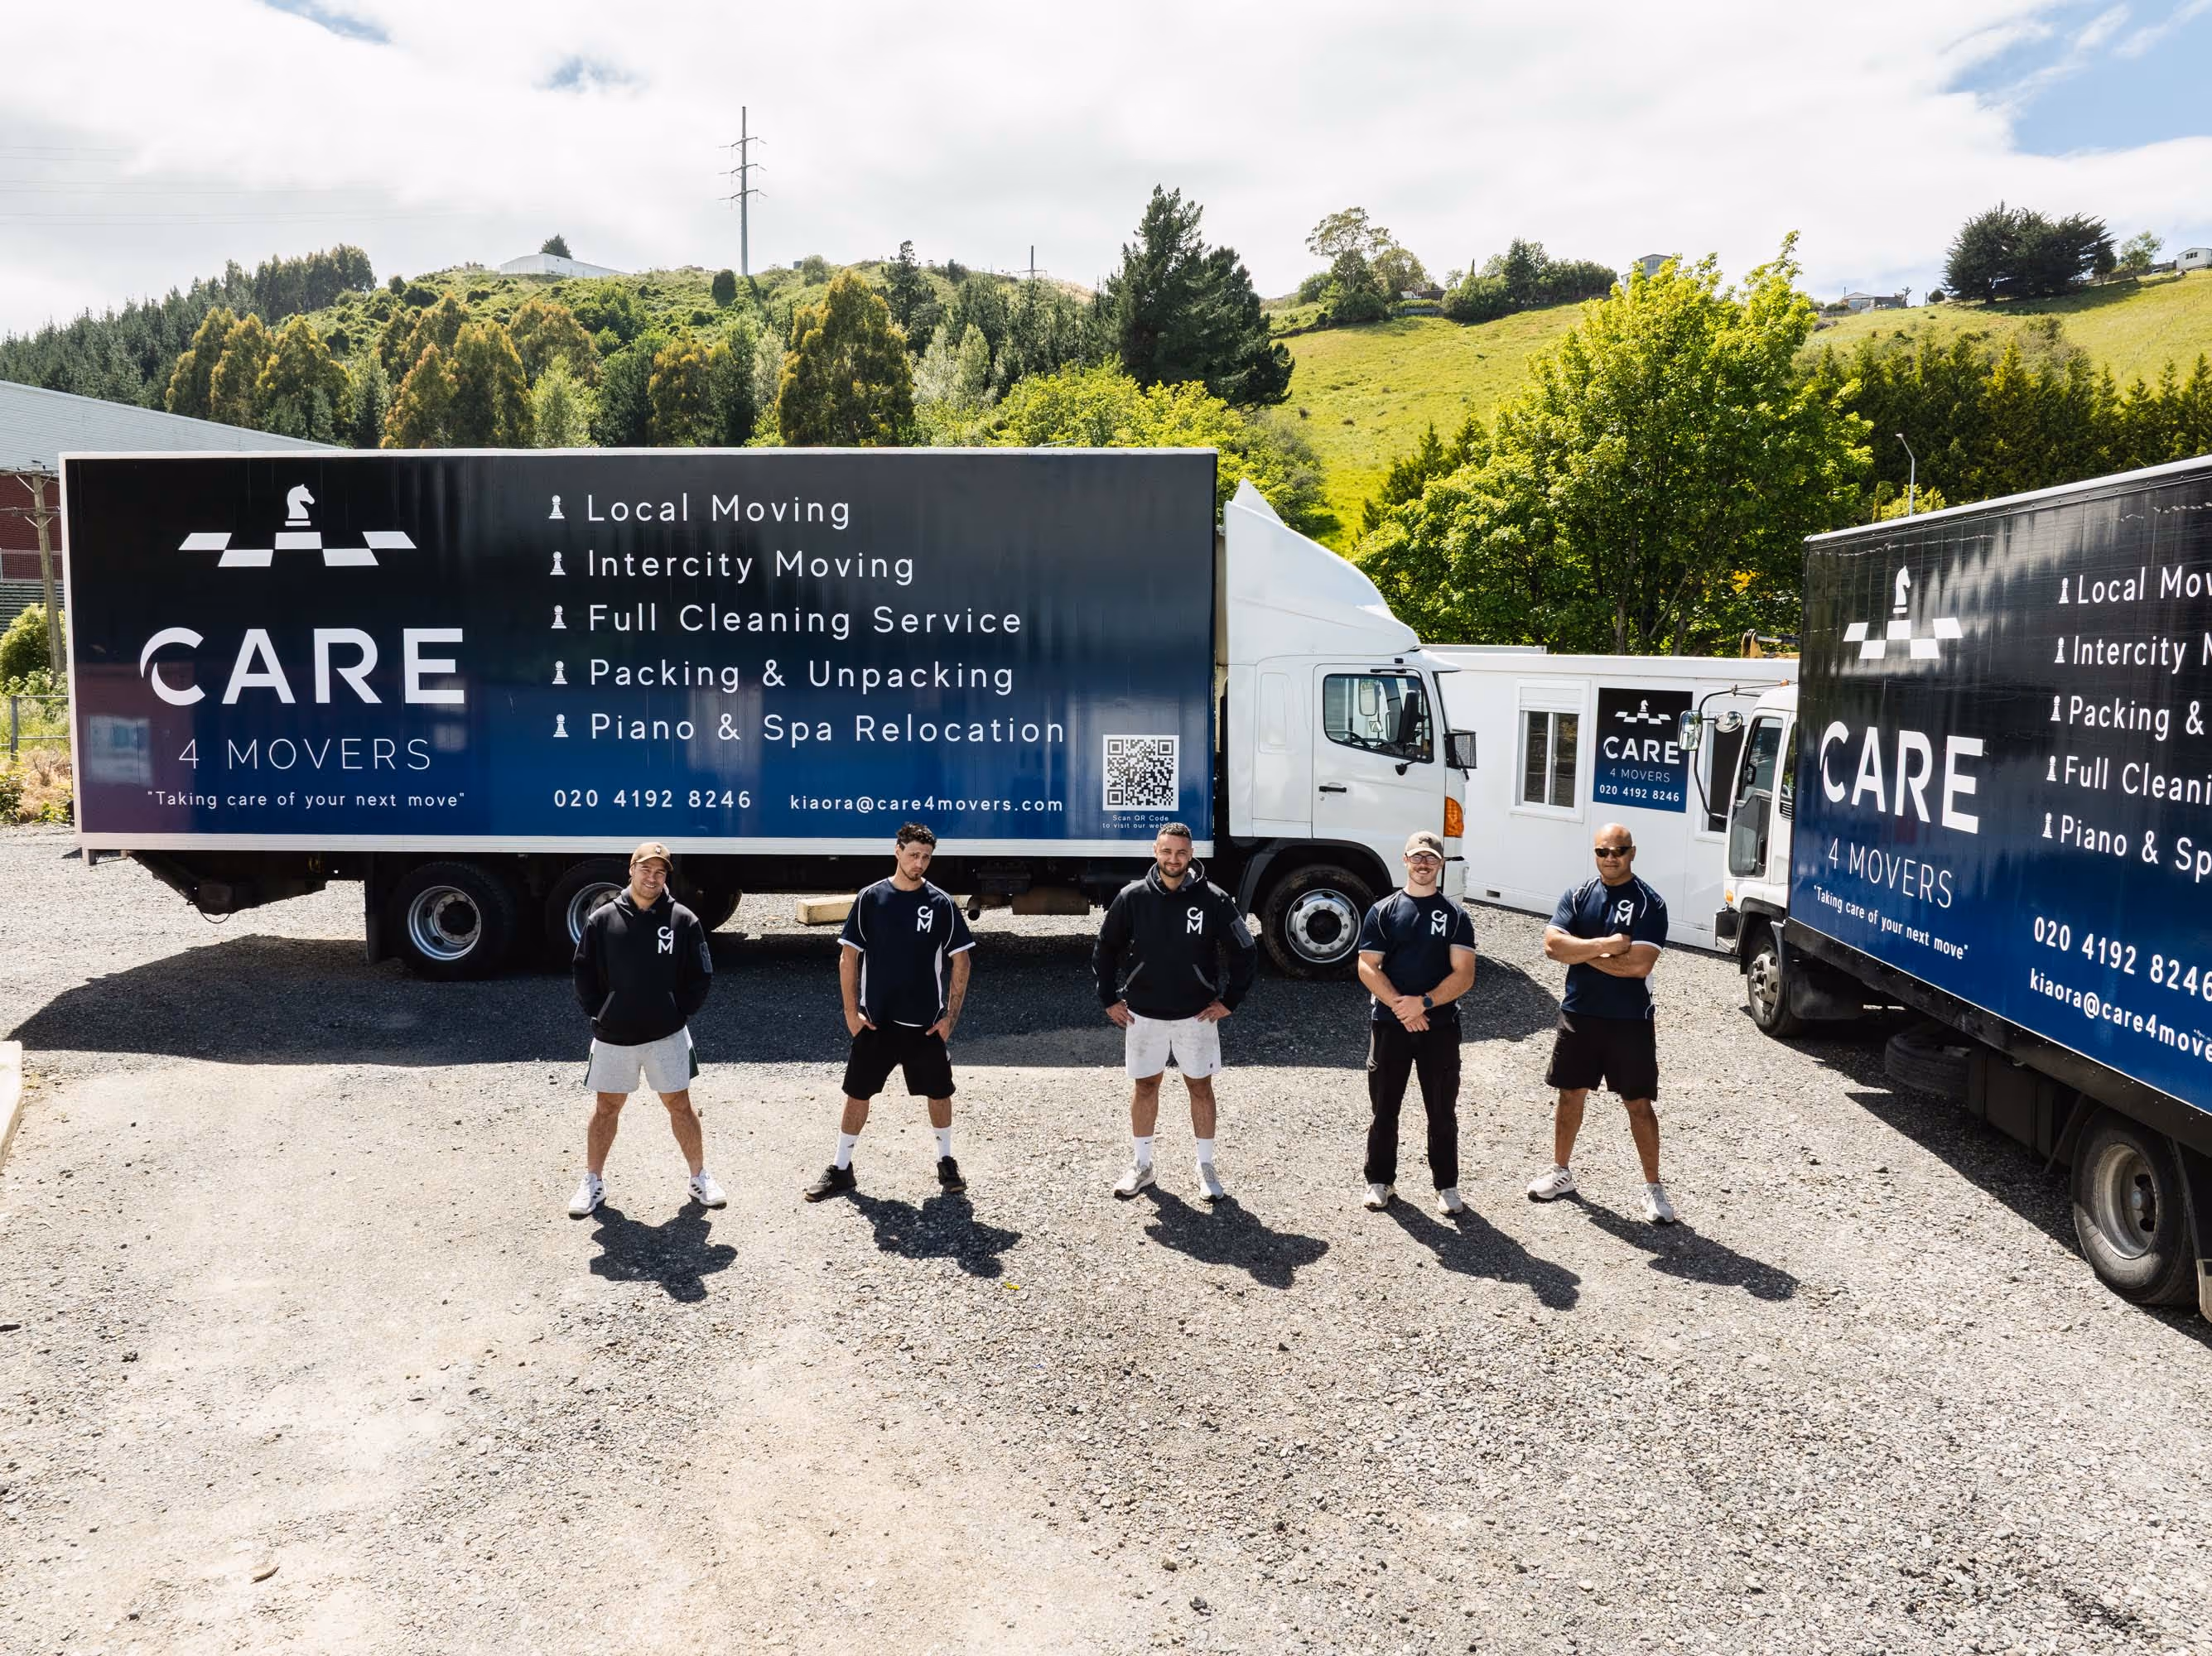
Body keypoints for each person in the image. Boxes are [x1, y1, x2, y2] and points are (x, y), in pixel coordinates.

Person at [803, 823, 975, 1201]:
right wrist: (851, 1013)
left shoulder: (941, 903)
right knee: (857, 1094)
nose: (920, 863)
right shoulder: (871, 898)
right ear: (897, 851)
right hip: (876, 1021)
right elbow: (849, 957)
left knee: (940, 1092)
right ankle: (842, 1168)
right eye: (913, 855)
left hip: (925, 1025)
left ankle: (946, 1161)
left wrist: (950, 1018)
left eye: (926, 857)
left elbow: (961, 960)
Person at [1093, 822, 1258, 1201]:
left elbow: (1245, 950)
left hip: (1195, 1014)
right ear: (1155, 851)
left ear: (1191, 855)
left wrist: (1230, 1000)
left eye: (1181, 853)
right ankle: (1142, 1165)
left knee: (1200, 1087)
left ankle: (1205, 1165)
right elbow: (1105, 947)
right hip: (1143, 1014)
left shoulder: (1213, 899)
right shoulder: (1132, 897)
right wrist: (1108, 998)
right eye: (1167, 852)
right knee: (1146, 1085)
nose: (1173, 859)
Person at [1527, 824, 1676, 1224]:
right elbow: (1550, 946)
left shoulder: (1650, 903)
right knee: (1569, 1095)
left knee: (1639, 1105)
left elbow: (1638, 965)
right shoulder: (1577, 895)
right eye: (1602, 851)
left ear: (1632, 852)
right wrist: (1606, 946)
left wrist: (1577, 952)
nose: (1611, 858)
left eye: (1619, 851)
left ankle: (1653, 1189)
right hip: (1579, 1014)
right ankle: (1561, 1174)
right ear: (1594, 854)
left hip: (1630, 1020)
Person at [566, 841, 722, 1217]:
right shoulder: (602, 919)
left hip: (665, 1034)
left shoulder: (683, 920)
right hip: (613, 1034)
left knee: (680, 1106)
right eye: (645, 869)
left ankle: (700, 1177)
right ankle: (592, 1181)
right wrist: (602, 1011)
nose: (652, 878)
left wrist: (676, 1011)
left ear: (666, 877)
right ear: (631, 870)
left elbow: (701, 974)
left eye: (660, 872)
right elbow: (583, 972)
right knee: (606, 1107)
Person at [1355, 830, 1478, 1215]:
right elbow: (1366, 965)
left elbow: (1465, 974)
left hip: (1439, 1027)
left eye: (1431, 859)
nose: (1423, 864)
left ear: (1440, 865)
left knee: (1441, 1110)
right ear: (1405, 861)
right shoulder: (1384, 911)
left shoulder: (1456, 916)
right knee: (1384, 1108)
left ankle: (1446, 1186)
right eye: (1417, 857)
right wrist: (1400, 1006)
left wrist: (1423, 1003)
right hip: (1390, 1025)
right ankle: (1380, 1180)